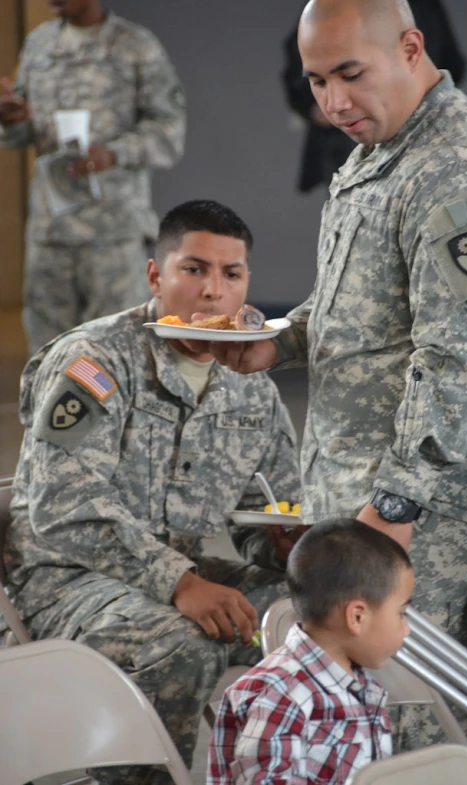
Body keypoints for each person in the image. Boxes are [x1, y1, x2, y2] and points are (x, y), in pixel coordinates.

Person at [201, 0, 467, 746]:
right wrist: (277, 342)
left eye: (349, 73)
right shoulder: (379, 149)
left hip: (422, 524)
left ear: (411, 48)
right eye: (315, 81)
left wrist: (394, 505)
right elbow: (363, 302)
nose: (332, 102)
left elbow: (463, 360)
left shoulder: (454, 170)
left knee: (401, 735)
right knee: (347, 731)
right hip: (360, 504)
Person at [2, 199, 301, 784]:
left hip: (175, 569)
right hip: (64, 581)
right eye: (194, 269)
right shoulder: (94, 361)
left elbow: (267, 510)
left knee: (316, 613)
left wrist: (287, 544)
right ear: (156, 275)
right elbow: (63, 506)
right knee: (180, 643)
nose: (213, 291)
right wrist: (181, 583)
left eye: (231, 274)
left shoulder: (249, 385)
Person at [0, 0, 186, 356]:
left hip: (112, 234)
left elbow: (169, 131)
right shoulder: (40, 44)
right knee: (47, 356)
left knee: (118, 353)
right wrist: (11, 119)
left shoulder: (135, 45)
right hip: (51, 232)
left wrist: (114, 154)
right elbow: (22, 133)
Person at [207, 519, 414, 784]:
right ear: (357, 617)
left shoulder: (353, 680)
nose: (405, 629)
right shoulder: (280, 698)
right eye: (401, 614)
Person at [281, 0, 466, 193]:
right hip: (345, 147)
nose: (336, 104)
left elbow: (452, 62)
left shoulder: (461, 164)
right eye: (319, 82)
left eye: (353, 75)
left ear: (412, 51)